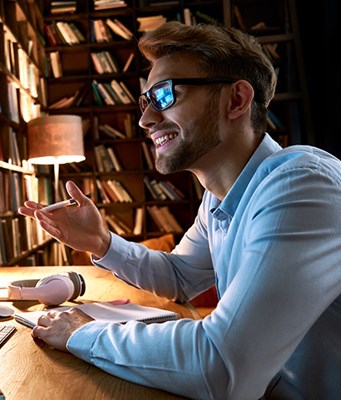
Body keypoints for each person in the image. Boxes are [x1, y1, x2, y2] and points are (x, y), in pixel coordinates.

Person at [19, 21, 341, 400]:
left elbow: (222, 365)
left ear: (236, 100)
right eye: (145, 101)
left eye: (166, 95)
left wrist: (79, 333)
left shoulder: (301, 186)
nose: (146, 119)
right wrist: (102, 242)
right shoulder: (220, 197)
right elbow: (179, 276)